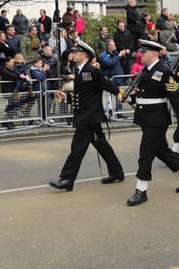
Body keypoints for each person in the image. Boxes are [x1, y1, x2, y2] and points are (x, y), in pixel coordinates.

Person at [123, 40, 179, 206]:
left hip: (157, 119)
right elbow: (144, 94)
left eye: (144, 52)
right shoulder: (146, 71)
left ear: (153, 53)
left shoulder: (164, 71)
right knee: (162, 151)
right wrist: (130, 98)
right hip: (145, 117)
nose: (140, 55)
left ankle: (141, 191)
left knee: (145, 154)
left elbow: (174, 97)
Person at [49, 42, 126, 192]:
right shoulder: (78, 71)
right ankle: (117, 173)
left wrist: (125, 97)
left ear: (84, 54)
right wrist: (65, 97)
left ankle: (66, 179)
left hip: (89, 117)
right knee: (102, 146)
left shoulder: (91, 71)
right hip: (87, 116)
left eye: (76, 52)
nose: (73, 54)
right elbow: (80, 95)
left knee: (77, 149)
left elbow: (108, 85)